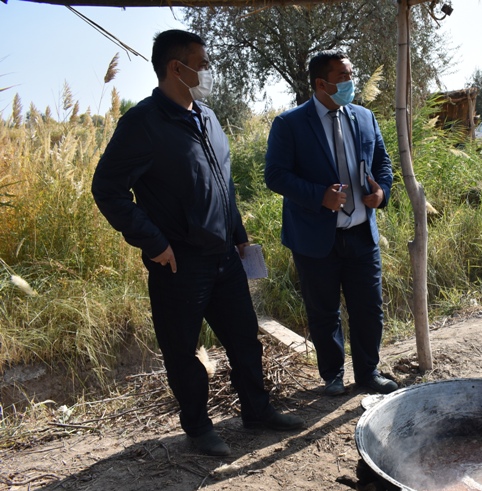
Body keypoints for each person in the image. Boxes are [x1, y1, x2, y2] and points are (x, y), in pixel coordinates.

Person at [92, 29, 303, 457]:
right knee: (182, 349)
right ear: (176, 67)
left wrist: (239, 235)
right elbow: (107, 188)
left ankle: (257, 411)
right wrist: (152, 242)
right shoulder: (142, 124)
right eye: (202, 64)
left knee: (245, 339)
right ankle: (198, 427)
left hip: (225, 257)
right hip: (178, 262)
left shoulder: (207, 116)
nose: (208, 72)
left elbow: (222, 184)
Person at [264, 50, 398, 397]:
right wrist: (318, 195)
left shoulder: (365, 117)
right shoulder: (289, 124)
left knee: (368, 309)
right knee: (324, 311)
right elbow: (275, 175)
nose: (350, 82)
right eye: (342, 76)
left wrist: (381, 193)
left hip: (360, 233)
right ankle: (333, 376)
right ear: (321, 83)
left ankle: (368, 372)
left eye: (351, 74)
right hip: (314, 237)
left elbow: (383, 164)